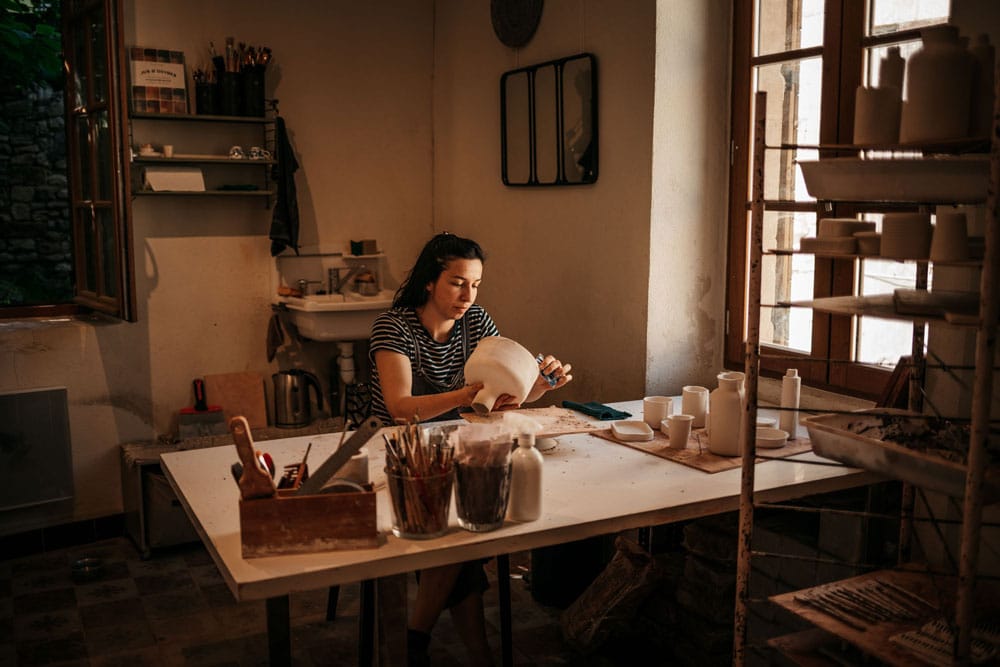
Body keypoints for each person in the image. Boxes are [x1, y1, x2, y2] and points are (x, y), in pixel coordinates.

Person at [368, 232, 572, 665]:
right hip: (396, 449)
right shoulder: (395, 326)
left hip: (452, 443)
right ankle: (462, 650)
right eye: (458, 282)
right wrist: (464, 396)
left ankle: (421, 644)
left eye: (476, 284)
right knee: (459, 532)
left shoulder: (476, 322)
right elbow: (400, 408)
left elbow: (501, 398)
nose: (468, 295)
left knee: (465, 524)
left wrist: (539, 382)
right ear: (430, 281)